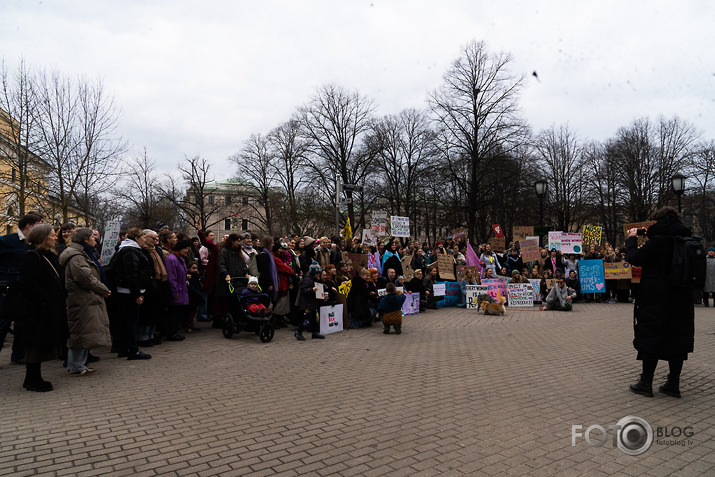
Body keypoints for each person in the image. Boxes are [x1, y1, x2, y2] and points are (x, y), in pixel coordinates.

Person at [625, 207, 695, 398]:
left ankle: (645, 382)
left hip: (656, 298)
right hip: (682, 299)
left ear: (659, 221)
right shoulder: (686, 240)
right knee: (677, 340)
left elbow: (635, 259)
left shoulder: (660, 241)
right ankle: (673, 383)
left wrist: (631, 239)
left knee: (651, 338)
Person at [16, 224, 67, 391]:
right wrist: (45, 299)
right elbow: (29, 284)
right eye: (52, 235)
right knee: (35, 344)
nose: (55, 238)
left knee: (41, 342)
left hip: (47, 307)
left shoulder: (48, 255)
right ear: (43, 237)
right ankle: (32, 379)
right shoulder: (32, 256)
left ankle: (34, 378)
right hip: (36, 310)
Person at [59, 227, 112, 376]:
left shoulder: (82, 253)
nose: (95, 239)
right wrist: (104, 289)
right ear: (85, 240)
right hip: (81, 299)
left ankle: (78, 364)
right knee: (80, 333)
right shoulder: (77, 256)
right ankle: (76, 366)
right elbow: (85, 278)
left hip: (86, 299)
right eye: (92, 237)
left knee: (83, 332)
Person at [0, 211, 45, 364]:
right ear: (29, 226)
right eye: (39, 225)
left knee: (22, 324)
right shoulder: (7, 241)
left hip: (24, 290)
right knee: (3, 324)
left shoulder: (33, 245)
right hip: (7, 289)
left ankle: (18, 355)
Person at [110, 228, 154, 360]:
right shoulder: (130, 251)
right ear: (136, 238)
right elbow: (132, 274)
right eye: (142, 237)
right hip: (129, 293)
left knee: (124, 321)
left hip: (125, 291)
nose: (144, 239)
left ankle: (124, 348)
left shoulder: (125, 249)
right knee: (130, 322)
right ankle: (132, 350)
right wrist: (136, 294)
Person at [164, 239, 192, 341]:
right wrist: (174, 292)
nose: (187, 251)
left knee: (177, 314)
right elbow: (172, 278)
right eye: (185, 248)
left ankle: (174, 332)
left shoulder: (180, 259)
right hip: (177, 291)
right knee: (173, 314)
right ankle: (171, 333)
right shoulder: (171, 260)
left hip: (181, 290)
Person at [295, 261, 325, 340]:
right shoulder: (307, 280)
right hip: (307, 304)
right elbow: (304, 291)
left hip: (313, 303)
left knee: (315, 319)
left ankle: (315, 332)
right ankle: (299, 331)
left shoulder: (315, 279)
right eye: (317, 274)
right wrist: (312, 289)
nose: (318, 275)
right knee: (306, 319)